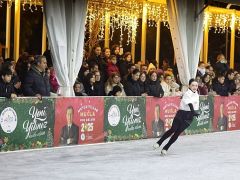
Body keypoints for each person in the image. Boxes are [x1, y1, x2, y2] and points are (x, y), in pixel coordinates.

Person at [153, 78, 200, 156]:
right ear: (189, 86)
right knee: (173, 129)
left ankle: (166, 148)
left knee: (177, 133)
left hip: (189, 117)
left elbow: (195, 107)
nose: (194, 87)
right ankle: (159, 142)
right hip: (181, 114)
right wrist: (193, 111)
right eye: (193, 85)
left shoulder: (197, 95)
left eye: (196, 85)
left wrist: (195, 113)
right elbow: (190, 104)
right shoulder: (186, 93)